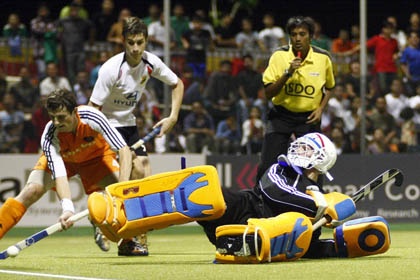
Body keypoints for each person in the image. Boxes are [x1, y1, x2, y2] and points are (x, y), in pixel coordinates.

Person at [0, 89, 146, 256]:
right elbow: (59, 174)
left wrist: (121, 188)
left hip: (95, 158)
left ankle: (126, 242)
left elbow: (123, 150)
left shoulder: (91, 116)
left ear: (74, 112)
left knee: (121, 193)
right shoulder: (49, 136)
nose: (56, 122)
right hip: (65, 159)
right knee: (30, 191)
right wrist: (67, 209)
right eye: (52, 117)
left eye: (61, 117)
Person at [88, 16, 184, 255]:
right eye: (130, 42)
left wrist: (172, 117)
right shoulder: (111, 69)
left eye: (140, 42)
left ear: (146, 41)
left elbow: (177, 84)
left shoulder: (151, 63)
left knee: (143, 171)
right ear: (123, 41)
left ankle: (130, 240)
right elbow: (92, 112)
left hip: (129, 125)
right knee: (121, 175)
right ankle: (102, 217)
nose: (135, 48)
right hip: (105, 124)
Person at [256, 16, 335, 182]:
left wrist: (320, 108)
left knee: (313, 166)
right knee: (267, 165)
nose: (298, 38)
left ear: (311, 36)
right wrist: (288, 72)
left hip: (308, 118)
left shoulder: (323, 58)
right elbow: (269, 93)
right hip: (281, 116)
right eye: (293, 34)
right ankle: (259, 202)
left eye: (302, 34)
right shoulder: (279, 56)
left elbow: (329, 87)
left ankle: (314, 202)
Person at [400, 31, 420, 96]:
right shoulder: (406, 50)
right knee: (412, 95)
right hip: (411, 78)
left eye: (416, 37)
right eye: (413, 37)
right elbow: (403, 64)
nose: (415, 39)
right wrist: (407, 74)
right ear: (409, 39)